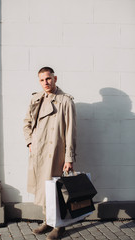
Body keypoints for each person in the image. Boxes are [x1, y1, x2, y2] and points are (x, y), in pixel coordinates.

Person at [23, 67, 76, 240]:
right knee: (44, 190)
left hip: (55, 153)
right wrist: (30, 142)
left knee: (56, 190)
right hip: (38, 152)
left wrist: (69, 158)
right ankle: (48, 221)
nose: (45, 83)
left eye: (48, 79)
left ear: (55, 78)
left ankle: (59, 226)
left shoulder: (65, 101)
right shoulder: (36, 98)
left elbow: (70, 131)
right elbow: (27, 122)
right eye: (42, 80)